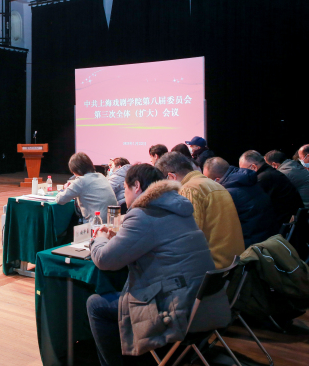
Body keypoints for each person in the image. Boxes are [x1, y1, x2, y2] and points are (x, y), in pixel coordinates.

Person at [87, 164, 230, 366]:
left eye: (125, 189)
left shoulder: (143, 214)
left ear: (137, 186)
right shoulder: (180, 208)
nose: (124, 195)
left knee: (96, 304)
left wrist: (99, 238)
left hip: (175, 310)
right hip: (205, 306)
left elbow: (104, 260)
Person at [155, 152, 244, 268]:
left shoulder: (189, 189)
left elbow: (187, 240)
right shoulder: (215, 184)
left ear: (171, 177)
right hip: (233, 265)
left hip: (212, 269)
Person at [204, 157, 278, 247]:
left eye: (208, 181)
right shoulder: (249, 181)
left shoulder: (227, 194)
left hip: (252, 246)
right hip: (268, 237)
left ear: (217, 180)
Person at [239, 150, 303, 227]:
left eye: (243, 171)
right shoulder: (270, 173)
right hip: (292, 220)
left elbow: (255, 205)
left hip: (283, 224)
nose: (243, 174)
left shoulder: (263, 178)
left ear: (253, 167)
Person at [56, 152, 117, 224]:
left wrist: (66, 189)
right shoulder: (101, 176)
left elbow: (60, 200)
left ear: (75, 170)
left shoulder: (81, 181)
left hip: (96, 224)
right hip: (113, 222)